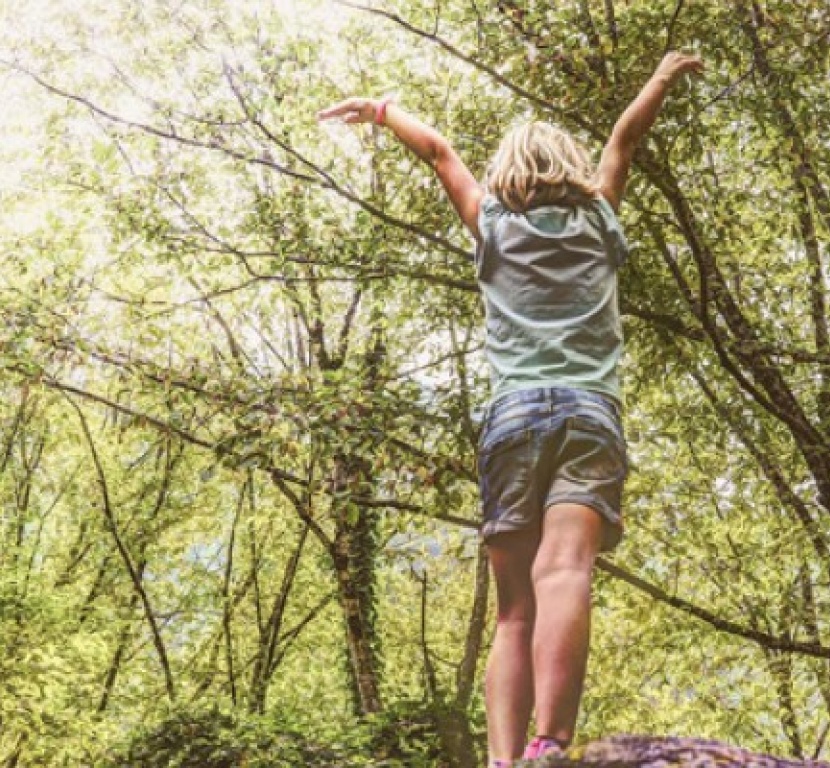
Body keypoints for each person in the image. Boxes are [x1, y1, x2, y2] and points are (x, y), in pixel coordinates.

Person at [318, 51, 704, 767]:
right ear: (569, 166)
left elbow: (439, 152)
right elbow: (624, 141)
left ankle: (501, 762)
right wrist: (660, 76)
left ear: (510, 170)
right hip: (590, 418)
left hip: (512, 422)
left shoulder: (493, 222)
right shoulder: (597, 217)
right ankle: (549, 744)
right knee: (565, 573)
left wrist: (377, 110)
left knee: (512, 610)